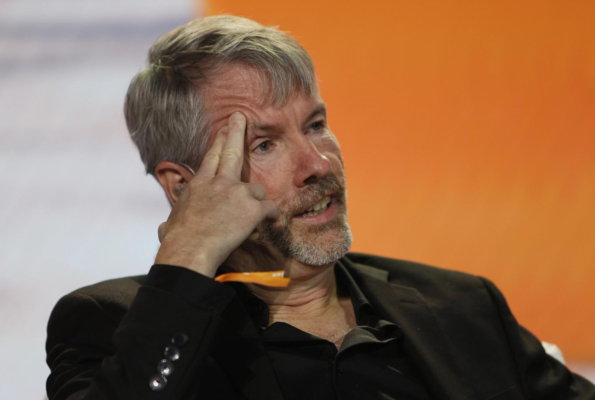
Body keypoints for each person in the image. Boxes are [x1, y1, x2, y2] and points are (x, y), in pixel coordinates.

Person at [45, 15, 595, 400]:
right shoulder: (110, 325)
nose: (317, 163)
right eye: (264, 144)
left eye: (315, 125)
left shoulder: (462, 306)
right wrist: (187, 254)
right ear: (183, 186)